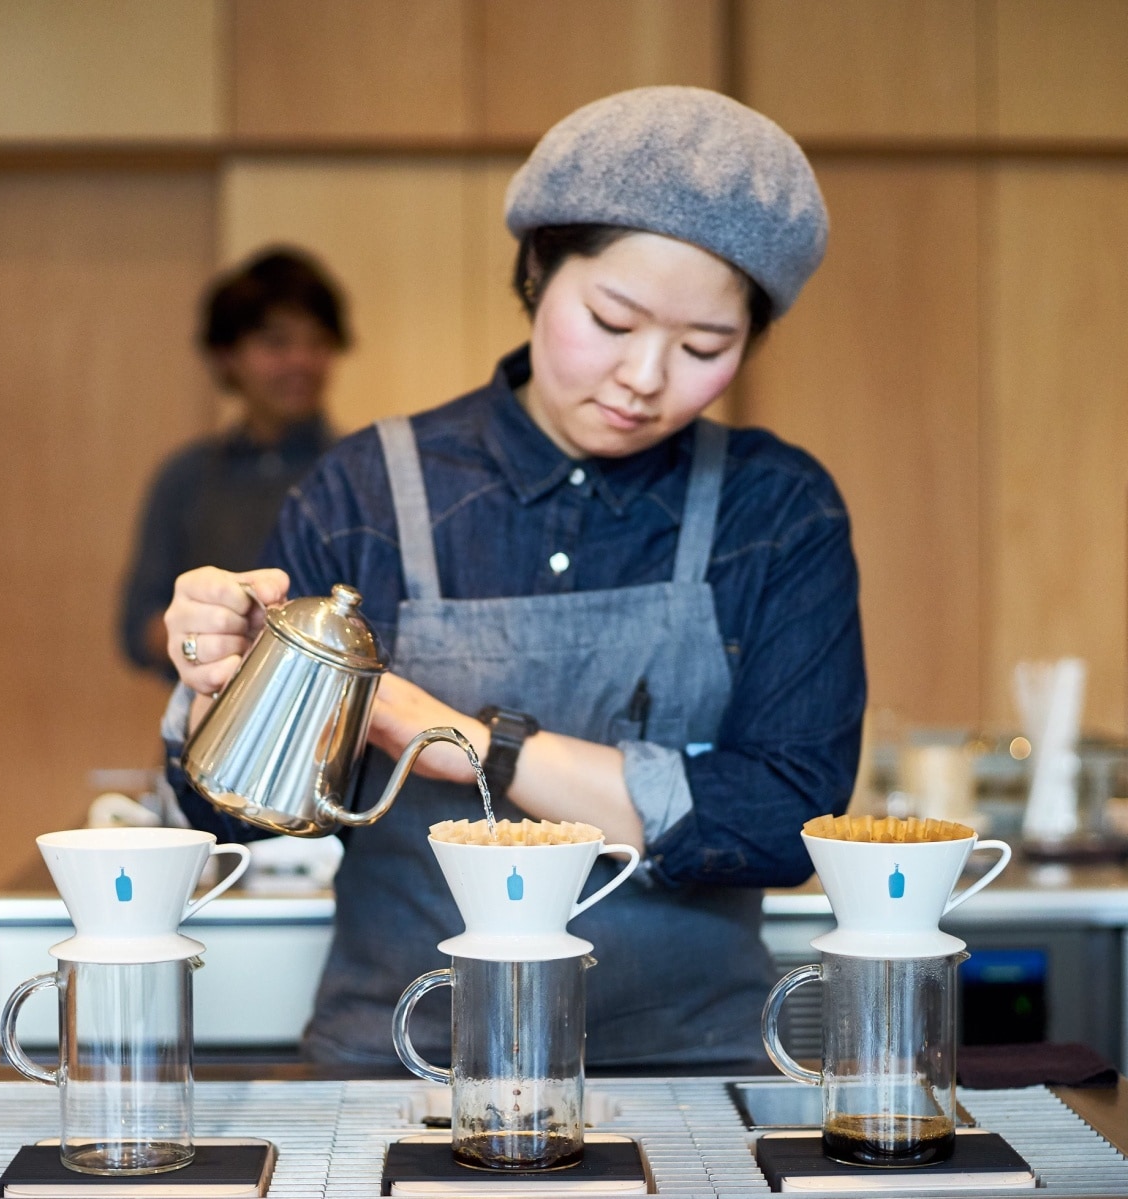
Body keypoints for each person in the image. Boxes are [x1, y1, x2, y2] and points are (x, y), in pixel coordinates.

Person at [161, 87, 866, 1075]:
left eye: (706, 348)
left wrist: (471, 742)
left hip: (692, 1073)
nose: (645, 378)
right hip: (401, 1067)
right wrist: (214, 686)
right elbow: (232, 811)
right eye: (612, 320)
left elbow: (783, 821)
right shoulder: (368, 489)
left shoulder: (775, 509)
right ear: (537, 269)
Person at [120, 247, 352, 678]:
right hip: (206, 719)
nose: (300, 360)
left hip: (332, 730)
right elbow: (138, 626)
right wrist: (213, 638)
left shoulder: (361, 471)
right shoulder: (186, 477)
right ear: (228, 356)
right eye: (277, 342)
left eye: (317, 340)